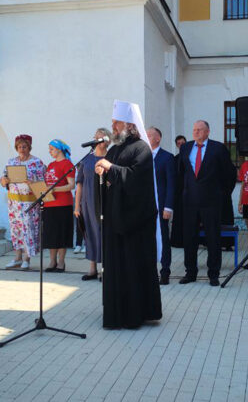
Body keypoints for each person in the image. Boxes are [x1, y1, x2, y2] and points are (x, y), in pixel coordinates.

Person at [94, 100, 162, 329]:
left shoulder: (142, 148)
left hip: (136, 221)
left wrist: (110, 168)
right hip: (116, 217)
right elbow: (111, 177)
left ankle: (136, 313)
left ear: (130, 125)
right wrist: (101, 172)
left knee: (133, 266)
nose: (113, 127)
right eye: (112, 123)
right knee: (116, 267)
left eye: (117, 123)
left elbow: (135, 179)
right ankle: (117, 311)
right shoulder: (114, 149)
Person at [178, 120, 237, 286]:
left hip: (211, 202)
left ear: (208, 132)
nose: (196, 132)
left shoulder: (218, 148)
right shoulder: (186, 148)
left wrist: (222, 195)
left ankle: (213, 274)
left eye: (199, 130)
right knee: (189, 238)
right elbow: (181, 173)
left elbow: (229, 174)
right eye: (194, 129)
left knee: (213, 238)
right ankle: (190, 273)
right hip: (190, 202)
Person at [0, 134, 46, 270]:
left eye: (24, 147)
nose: (22, 149)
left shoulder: (37, 162)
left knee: (29, 230)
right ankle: (17, 258)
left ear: (29, 147)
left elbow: (43, 183)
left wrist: (32, 182)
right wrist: (4, 181)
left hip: (29, 204)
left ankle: (27, 258)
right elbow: (2, 179)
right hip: (14, 203)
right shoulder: (11, 162)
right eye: (19, 147)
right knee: (16, 230)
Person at [74, 128, 110, 280]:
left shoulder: (111, 158)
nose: (98, 140)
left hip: (104, 202)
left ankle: (104, 269)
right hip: (87, 203)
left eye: (101, 137)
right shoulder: (86, 160)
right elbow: (80, 184)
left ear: (107, 140)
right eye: (96, 137)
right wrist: (77, 206)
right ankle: (92, 268)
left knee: (102, 233)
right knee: (89, 233)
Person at [147, 127, 176, 285]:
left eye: (150, 135)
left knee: (164, 240)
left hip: (161, 207)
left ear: (158, 138)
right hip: (145, 207)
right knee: (147, 240)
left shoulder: (167, 157)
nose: (147, 137)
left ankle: (165, 272)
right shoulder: (143, 156)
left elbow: (171, 184)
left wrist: (168, 207)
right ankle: (149, 271)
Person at [42, 139, 75, 273]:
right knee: (51, 234)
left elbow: (71, 185)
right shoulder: (50, 165)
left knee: (61, 233)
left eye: (51, 149)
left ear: (59, 149)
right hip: (49, 204)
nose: (49, 151)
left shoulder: (67, 164)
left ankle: (61, 262)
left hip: (63, 204)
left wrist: (54, 189)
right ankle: (52, 261)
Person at [170, 135, 187, 248]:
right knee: (178, 217)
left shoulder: (191, 157)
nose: (181, 145)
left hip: (189, 192)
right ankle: (177, 241)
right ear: (177, 145)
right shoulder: (174, 159)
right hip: (178, 193)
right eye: (179, 143)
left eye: (183, 143)